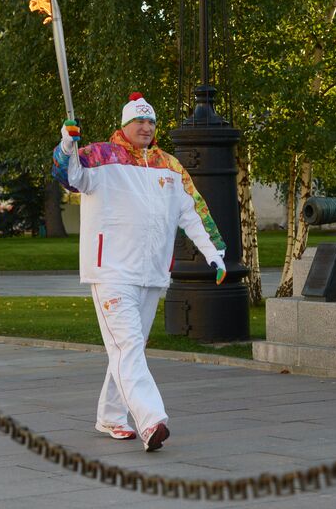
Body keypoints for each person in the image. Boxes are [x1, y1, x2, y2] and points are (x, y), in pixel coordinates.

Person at [52, 92, 227, 452]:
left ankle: (111, 416)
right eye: (138, 121)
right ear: (125, 124)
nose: (145, 127)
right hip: (111, 271)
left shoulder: (170, 166)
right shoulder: (100, 156)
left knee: (128, 349)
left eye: (150, 122)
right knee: (129, 346)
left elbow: (194, 213)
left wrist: (216, 254)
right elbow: (67, 175)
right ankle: (151, 422)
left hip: (151, 275)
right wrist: (68, 144)